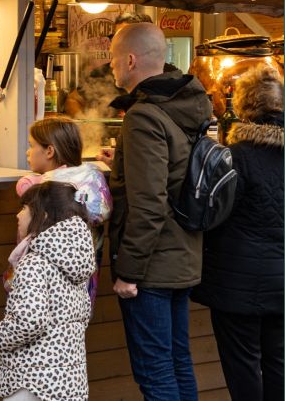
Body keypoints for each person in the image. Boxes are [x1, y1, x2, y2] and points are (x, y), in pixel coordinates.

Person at [104, 22, 212, 401]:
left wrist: (129, 271)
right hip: (182, 256)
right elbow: (174, 171)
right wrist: (123, 162)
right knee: (178, 363)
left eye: (114, 57)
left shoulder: (144, 116)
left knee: (155, 374)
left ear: (131, 60)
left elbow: (149, 204)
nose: (111, 65)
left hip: (151, 266)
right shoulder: (186, 104)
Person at [191, 65, 283, 401]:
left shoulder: (233, 157)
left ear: (243, 107)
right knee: (279, 362)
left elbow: (210, 215)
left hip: (236, 282)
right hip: (281, 282)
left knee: (242, 364)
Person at [0, 181, 96, 401]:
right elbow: (84, 314)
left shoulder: (34, 262)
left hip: (31, 380)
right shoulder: (77, 262)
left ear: (43, 215)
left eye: (24, 208)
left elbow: (30, 321)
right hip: (69, 380)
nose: (18, 215)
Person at [8, 116, 112, 309]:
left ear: (49, 151)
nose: (28, 152)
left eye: (31, 146)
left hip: (43, 289)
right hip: (82, 288)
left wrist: (29, 182)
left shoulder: (44, 187)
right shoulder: (92, 178)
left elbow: (24, 188)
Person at [64, 11, 174, 119]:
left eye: (123, 37)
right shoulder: (101, 73)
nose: (115, 43)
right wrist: (87, 125)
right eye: (114, 37)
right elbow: (73, 100)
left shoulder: (171, 78)